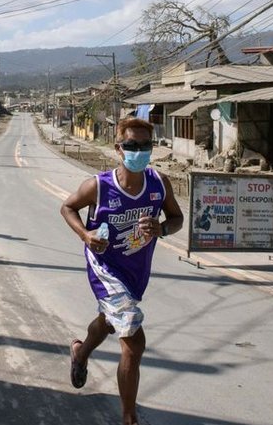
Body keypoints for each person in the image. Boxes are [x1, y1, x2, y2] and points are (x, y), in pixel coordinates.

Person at [59, 117, 184, 425]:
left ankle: (80, 352)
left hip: (136, 271)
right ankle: (129, 418)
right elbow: (67, 207)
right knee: (133, 339)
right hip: (105, 269)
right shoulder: (99, 186)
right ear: (118, 149)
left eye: (144, 146)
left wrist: (162, 229)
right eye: (131, 146)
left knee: (110, 322)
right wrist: (86, 236)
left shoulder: (159, 183)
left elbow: (177, 218)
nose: (138, 151)